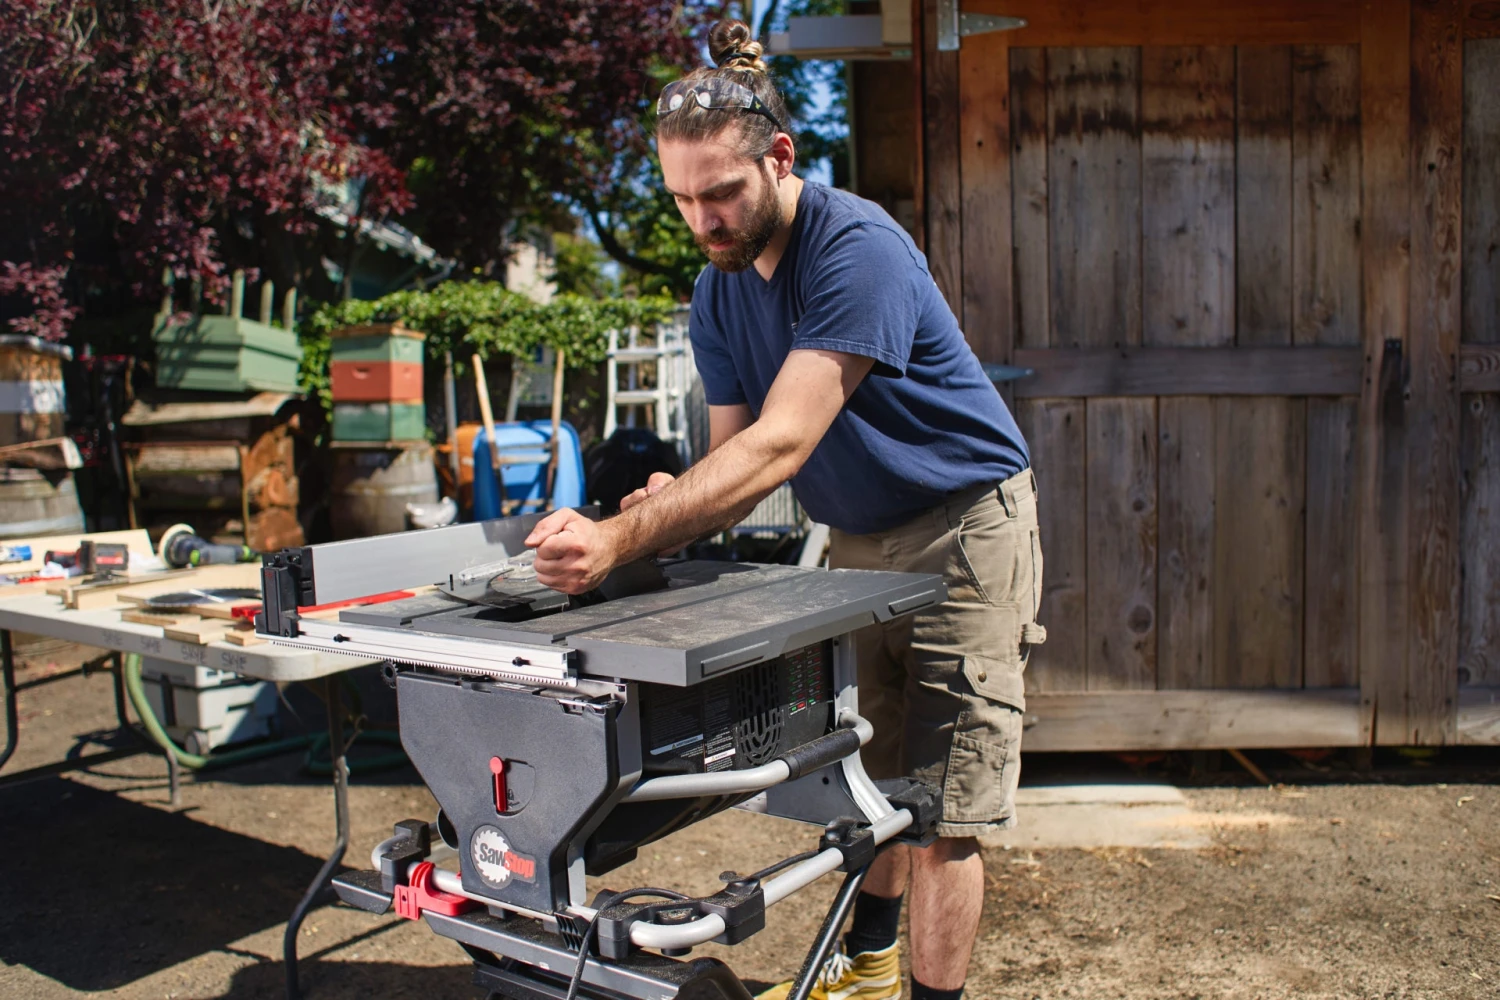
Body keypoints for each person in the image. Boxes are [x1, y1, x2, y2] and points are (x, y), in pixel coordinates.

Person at [526, 19, 1045, 1000]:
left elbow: (781, 444)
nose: (705, 220)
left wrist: (619, 539)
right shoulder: (717, 294)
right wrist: (667, 504)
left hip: (964, 530)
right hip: (857, 539)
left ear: (779, 158)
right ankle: (871, 971)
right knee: (869, 783)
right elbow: (734, 462)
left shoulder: (856, 249)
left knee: (944, 809)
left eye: (721, 192)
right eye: (683, 200)